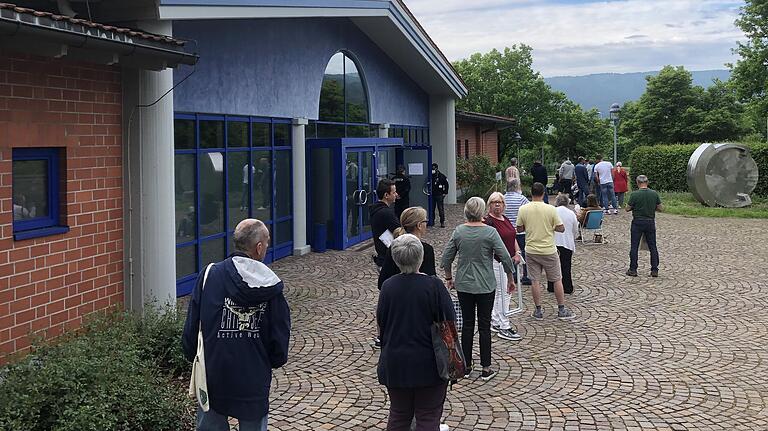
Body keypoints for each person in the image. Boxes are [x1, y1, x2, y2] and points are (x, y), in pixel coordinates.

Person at [182, 219, 291, 431]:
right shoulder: (271, 286)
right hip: (253, 379)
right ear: (259, 247)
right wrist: (274, 360)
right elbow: (279, 334)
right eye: (267, 243)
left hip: (214, 375)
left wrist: (191, 355)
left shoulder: (209, 275)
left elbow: (192, 328)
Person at [377, 234, 455, 430]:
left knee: (399, 415)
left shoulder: (388, 287)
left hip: (396, 361)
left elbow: (381, 324)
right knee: (428, 417)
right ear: (421, 257)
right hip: (429, 363)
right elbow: (449, 324)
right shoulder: (434, 285)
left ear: (396, 259)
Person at [441, 197, 515, 381]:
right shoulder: (490, 233)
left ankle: (466, 366)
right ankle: (486, 367)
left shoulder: (459, 232)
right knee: (484, 326)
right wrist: (511, 278)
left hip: (464, 284)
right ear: (482, 212)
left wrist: (449, 276)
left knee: (467, 325)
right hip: (485, 285)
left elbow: (446, 258)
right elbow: (505, 257)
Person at [516, 182, 575, 320]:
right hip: (548, 249)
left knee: (535, 280)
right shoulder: (551, 209)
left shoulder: (523, 209)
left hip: (531, 249)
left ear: (531, 193)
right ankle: (561, 309)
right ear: (543, 193)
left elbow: (519, 229)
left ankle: (538, 310)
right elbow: (561, 228)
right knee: (556, 279)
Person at [483, 192, 523, 341]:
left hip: (510, 261)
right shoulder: (488, 222)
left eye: (500, 202)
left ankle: (495, 320)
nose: (497, 204)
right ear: (489, 204)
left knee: (502, 293)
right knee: (504, 292)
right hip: (497, 262)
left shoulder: (504, 219)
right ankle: (504, 325)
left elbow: (512, 237)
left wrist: (517, 252)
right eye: (494, 202)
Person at [378, 207, 436, 290]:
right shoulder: (426, 249)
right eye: (425, 221)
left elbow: (382, 281)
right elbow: (431, 282)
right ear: (419, 225)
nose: (426, 224)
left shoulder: (394, 247)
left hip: (397, 297)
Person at [625, 175, 662, 277]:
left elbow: (627, 208)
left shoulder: (634, 194)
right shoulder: (654, 194)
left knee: (634, 246)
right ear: (647, 182)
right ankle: (654, 270)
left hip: (637, 222)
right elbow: (660, 208)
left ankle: (633, 269)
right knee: (653, 246)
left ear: (637, 183)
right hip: (650, 221)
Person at [547, 194, 579, 294]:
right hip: (567, 242)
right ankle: (567, 287)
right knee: (566, 266)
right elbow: (575, 229)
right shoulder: (571, 213)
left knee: (552, 266)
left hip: (553, 242)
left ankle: (551, 286)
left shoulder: (552, 212)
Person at [503, 178, 531, 285]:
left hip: (507, 231)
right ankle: (526, 275)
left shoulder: (503, 198)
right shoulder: (521, 199)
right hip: (520, 231)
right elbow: (529, 210)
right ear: (516, 186)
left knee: (511, 252)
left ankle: (513, 274)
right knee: (524, 252)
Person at [370, 179, 400, 268]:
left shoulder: (376, 210)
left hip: (383, 254)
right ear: (386, 195)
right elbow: (399, 231)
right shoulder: (386, 213)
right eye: (394, 192)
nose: (396, 194)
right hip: (388, 257)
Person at [430, 163, 449, 228]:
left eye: (434, 168)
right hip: (432, 195)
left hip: (439, 194)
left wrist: (445, 192)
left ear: (437, 168)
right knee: (432, 209)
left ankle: (442, 221)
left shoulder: (441, 176)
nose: (433, 170)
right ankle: (432, 221)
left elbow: (446, 184)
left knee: (440, 208)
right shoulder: (430, 176)